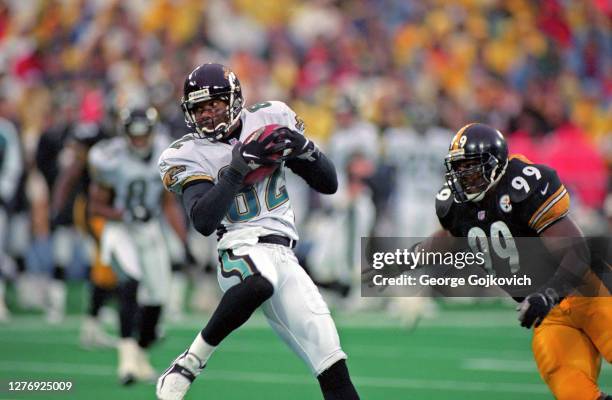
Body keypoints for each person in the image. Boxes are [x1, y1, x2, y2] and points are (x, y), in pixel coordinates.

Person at [156, 63, 360, 400]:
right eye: (200, 108)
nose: (208, 115)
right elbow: (203, 221)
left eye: (215, 104)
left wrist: (304, 148)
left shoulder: (271, 118)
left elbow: (330, 184)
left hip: (285, 255)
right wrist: (237, 168)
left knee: (332, 363)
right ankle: (189, 364)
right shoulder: (186, 153)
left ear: (234, 99)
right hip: (238, 246)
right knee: (259, 281)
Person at [415, 123, 611, 400]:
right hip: (550, 314)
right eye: (458, 168)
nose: (462, 175)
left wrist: (548, 294)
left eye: (470, 166)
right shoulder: (454, 205)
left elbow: (577, 252)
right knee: (573, 391)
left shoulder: (524, 184)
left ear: (495, 164)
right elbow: (450, 235)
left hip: (590, 291)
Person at [88, 106, 189, 385]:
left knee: (158, 296)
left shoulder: (164, 154)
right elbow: (96, 205)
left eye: (145, 133)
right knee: (130, 282)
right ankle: (126, 361)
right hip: (120, 230)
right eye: (134, 134)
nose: (140, 139)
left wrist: (184, 240)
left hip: (149, 229)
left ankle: (140, 354)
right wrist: (124, 214)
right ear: (124, 134)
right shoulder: (111, 157)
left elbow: (169, 203)